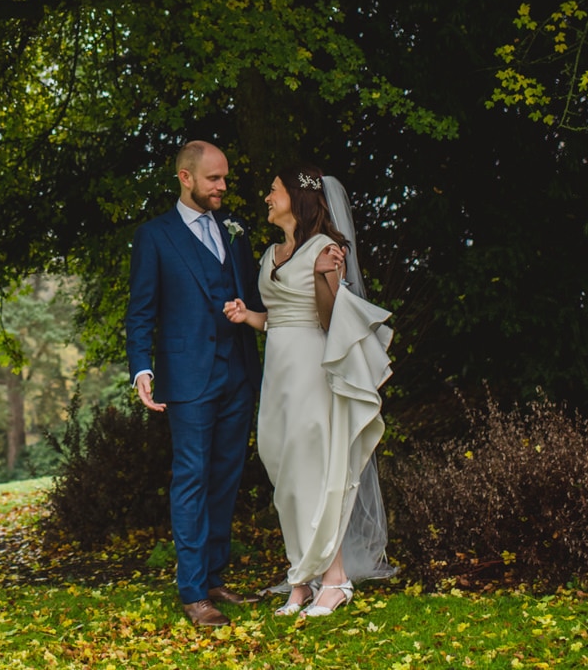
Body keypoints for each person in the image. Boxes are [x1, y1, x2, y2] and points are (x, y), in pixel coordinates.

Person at [223, 165, 393, 617]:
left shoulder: (325, 248)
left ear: (296, 198)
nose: (266, 197)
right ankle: (301, 576)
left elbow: (328, 320)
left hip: (312, 370)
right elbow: (275, 317)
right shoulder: (271, 253)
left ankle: (333, 581)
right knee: (281, 468)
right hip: (278, 373)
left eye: (273, 190)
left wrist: (323, 276)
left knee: (314, 473)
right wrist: (248, 316)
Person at [126, 140, 266, 629]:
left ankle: (213, 577)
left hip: (238, 373)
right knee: (192, 477)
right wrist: (141, 369)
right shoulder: (154, 236)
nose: (223, 187)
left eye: (225, 178)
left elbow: (251, 296)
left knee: (226, 476)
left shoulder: (237, 231)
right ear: (186, 178)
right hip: (186, 378)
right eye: (214, 179)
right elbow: (141, 310)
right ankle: (192, 592)